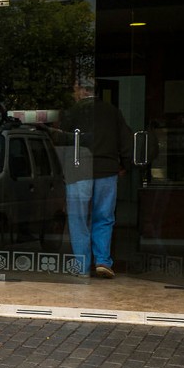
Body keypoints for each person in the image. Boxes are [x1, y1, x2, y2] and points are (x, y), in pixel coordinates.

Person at [58, 81, 132, 278]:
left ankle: (82, 265)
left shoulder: (72, 112)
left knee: (78, 219)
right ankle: (102, 262)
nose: (74, 94)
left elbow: (61, 141)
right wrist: (125, 165)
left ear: (82, 91)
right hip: (107, 171)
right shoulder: (113, 112)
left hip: (78, 170)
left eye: (74, 90)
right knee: (104, 217)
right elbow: (126, 141)